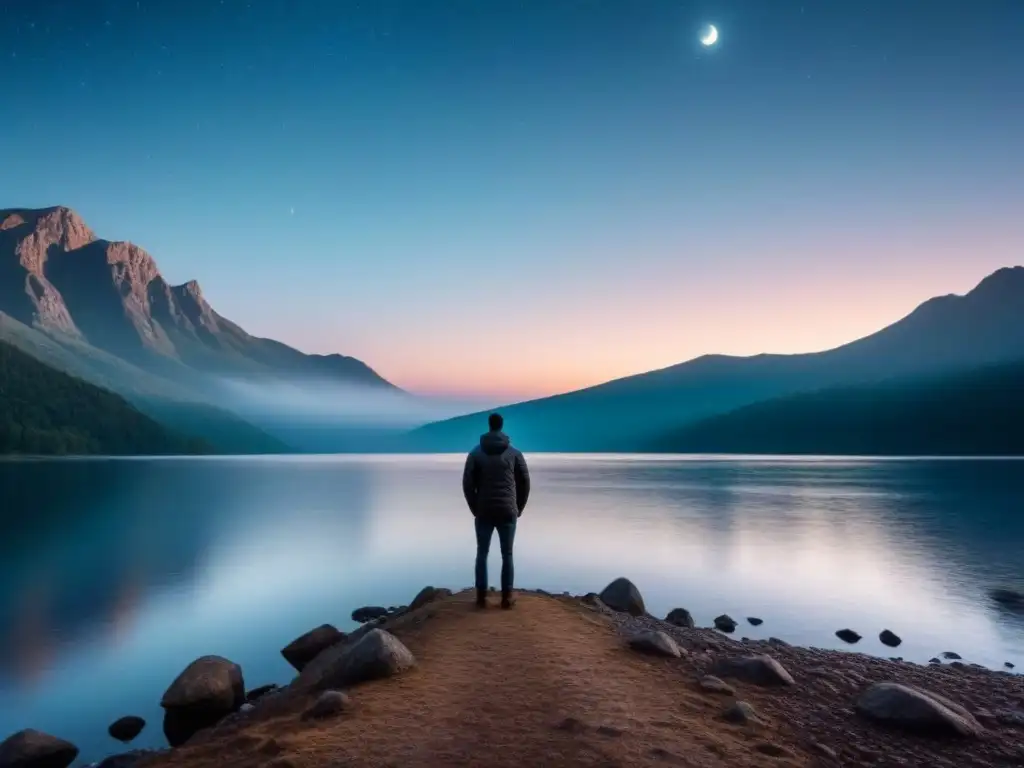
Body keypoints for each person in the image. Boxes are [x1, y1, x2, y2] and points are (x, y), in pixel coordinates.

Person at [462, 412, 530, 609]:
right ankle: (507, 596)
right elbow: (525, 482)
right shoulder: (514, 453)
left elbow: (467, 484)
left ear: (489, 426)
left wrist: (475, 507)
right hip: (508, 510)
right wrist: (519, 507)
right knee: (507, 554)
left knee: (482, 553)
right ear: (501, 426)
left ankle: (481, 596)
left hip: (484, 510)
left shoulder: (475, 453)